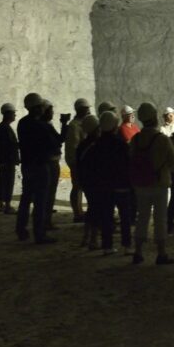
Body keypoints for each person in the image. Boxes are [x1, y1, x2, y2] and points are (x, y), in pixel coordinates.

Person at [129, 102, 174, 265]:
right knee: (160, 218)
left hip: (141, 184)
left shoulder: (135, 139)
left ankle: (138, 252)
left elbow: (131, 160)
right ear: (155, 117)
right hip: (159, 183)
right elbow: (173, 160)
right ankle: (161, 253)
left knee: (142, 217)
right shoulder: (162, 139)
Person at [81, 111, 132, 255]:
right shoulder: (121, 144)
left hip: (104, 187)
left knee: (106, 217)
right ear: (115, 126)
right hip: (121, 185)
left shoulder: (95, 145)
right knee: (125, 216)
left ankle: (107, 246)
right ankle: (127, 245)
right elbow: (128, 164)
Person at [16, 92, 58, 244]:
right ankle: (39, 234)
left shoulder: (22, 123)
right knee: (40, 200)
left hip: (27, 165)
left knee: (26, 198)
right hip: (40, 166)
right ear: (36, 108)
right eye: (40, 106)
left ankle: (21, 229)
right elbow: (55, 143)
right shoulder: (40, 125)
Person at [63, 98, 92, 224]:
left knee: (79, 186)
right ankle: (77, 213)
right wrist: (76, 163)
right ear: (80, 110)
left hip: (82, 161)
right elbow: (73, 146)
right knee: (77, 187)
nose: (89, 111)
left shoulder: (81, 123)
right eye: (86, 109)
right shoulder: (74, 125)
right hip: (77, 161)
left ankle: (79, 212)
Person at [75, 113, 101, 249]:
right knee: (95, 210)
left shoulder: (82, 145)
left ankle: (86, 238)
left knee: (91, 209)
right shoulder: (96, 146)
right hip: (95, 182)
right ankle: (93, 240)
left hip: (86, 182)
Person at [41, 100, 63, 232]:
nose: (52, 113)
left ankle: (46, 220)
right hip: (49, 163)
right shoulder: (44, 126)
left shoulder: (45, 125)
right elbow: (57, 142)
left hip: (49, 162)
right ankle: (45, 222)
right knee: (48, 193)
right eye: (50, 110)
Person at [0, 102, 19, 214]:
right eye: (13, 113)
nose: (15, 115)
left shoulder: (3, 127)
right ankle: (7, 205)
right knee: (8, 182)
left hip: (5, 160)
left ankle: (1, 204)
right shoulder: (5, 128)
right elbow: (7, 145)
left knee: (3, 182)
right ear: (8, 114)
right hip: (7, 160)